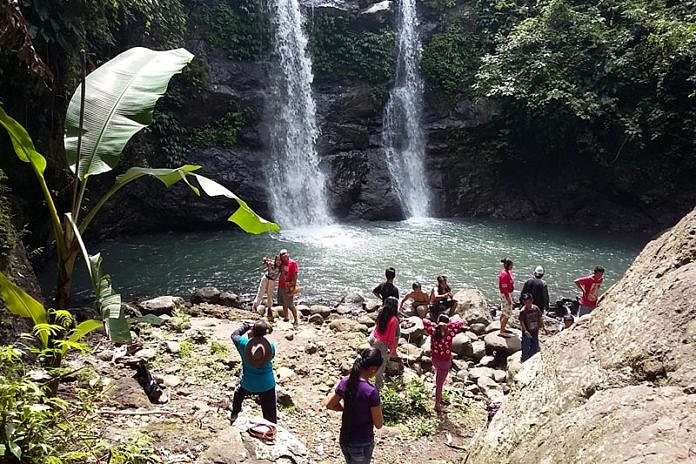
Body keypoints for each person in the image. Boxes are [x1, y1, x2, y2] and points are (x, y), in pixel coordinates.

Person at [326, 348, 384, 464]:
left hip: (345, 439)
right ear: (373, 369)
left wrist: (346, 409)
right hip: (362, 441)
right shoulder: (371, 392)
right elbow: (378, 424)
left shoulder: (345, 381)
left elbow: (330, 405)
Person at [227, 320, 277, 423]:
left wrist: (246, 326)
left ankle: (234, 413)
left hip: (248, 384)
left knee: (238, 392)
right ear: (265, 333)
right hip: (267, 385)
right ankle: (272, 426)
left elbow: (234, 335)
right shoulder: (271, 346)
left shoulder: (243, 344)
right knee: (270, 413)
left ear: (252, 331)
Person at [422, 314, 466, 412]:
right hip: (445, 362)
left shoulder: (433, 332)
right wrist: (449, 325)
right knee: (440, 384)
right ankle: (437, 404)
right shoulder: (449, 334)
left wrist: (436, 325)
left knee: (438, 378)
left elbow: (424, 320)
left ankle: (439, 397)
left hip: (434, 360)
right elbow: (460, 323)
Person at [368, 296, 399, 390]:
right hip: (381, 344)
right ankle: (377, 389)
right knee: (381, 366)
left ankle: (365, 378)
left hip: (373, 338)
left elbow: (376, 326)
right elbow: (391, 337)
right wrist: (391, 350)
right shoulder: (394, 320)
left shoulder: (381, 313)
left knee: (372, 359)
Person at [519, 293, 547, 362]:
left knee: (535, 345)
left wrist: (543, 327)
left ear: (532, 301)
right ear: (523, 302)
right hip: (527, 330)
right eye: (525, 302)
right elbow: (521, 321)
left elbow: (540, 317)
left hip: (535, 329)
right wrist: (525, 331)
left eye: (529, 302)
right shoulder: (523, 311)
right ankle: (524, 358)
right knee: (525, 345)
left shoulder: (536, 308)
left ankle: (531, 357)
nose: (527, 304)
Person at [252, 255, 282, 321]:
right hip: (265, 278)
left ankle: (269, 308)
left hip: (272, 281)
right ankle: (254, 308)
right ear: (275, 260)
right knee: (260, 293)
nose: (278, 262)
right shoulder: (271, 263)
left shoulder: (281, 267)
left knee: (270, 295)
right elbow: (265, 261)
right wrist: (265, 260)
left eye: (280, 260)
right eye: (277, 260)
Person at [278, 249, 300, 324]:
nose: (284, 256)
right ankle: (286, 317)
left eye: (285, 254)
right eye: (282, 255)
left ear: (288, 254)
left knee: (290, 304)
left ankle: (296, 319)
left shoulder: (292, 263)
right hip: (281, 284)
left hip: (289, 285)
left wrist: (293, 285)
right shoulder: (282, 263)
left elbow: (296, 274)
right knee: (284, 302)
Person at [498, 258, 515, 338]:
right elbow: (504, 288)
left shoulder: (507, 272)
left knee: (504, 311)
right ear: (508, 265)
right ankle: (502, 331)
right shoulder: (504, 274)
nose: (512, 266)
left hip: (507, 293)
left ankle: (502, 327)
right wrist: (509, 299)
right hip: (506, 294)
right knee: (507, 313)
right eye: (511, 265)